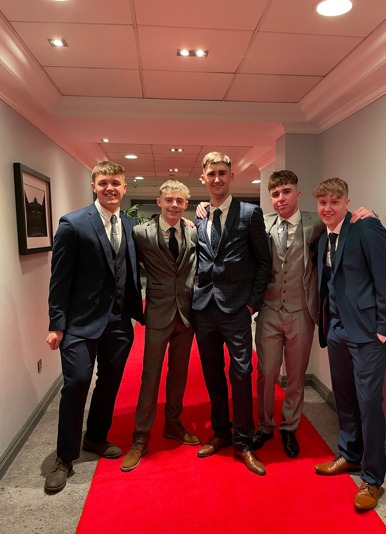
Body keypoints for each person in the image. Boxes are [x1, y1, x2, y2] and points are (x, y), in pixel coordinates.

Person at [253, 170, 376, 458]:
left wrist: (370, 215)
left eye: (286, 192)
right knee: (266, 372)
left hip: (302, 311)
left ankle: (289, 427)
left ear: (297, 194)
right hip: (269, 309)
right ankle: (265, 425)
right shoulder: (262, 223)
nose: (281, 198)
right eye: (275, 194)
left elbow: (344, 221)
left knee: (296, 375)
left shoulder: (316, 222)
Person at [45, 161, 144, 493]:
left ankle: (96, 437)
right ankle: (65, 457)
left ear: (124, 188)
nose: (110, 188)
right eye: (104, 183)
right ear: (94, 186)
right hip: (79, 323)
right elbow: (59, 279)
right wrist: (57, 324)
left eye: (115, 183)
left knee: (110, 382)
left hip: (119, 322)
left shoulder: (131, 225)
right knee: (76, 383)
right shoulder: (73, 224)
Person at [312, 177, 386, 511]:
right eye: (323, 203)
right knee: (345, 397)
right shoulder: (324, 237)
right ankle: (349, 454)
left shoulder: (365, 228)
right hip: (337, 329)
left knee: (368, 404)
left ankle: (372, 478)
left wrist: (383, 328)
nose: (328, 208)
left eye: (334, 202)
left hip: (367, 333)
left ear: (347, 203)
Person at [192, 152, 272, 476]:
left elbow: (264, 262)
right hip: (203, 309)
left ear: (231, 176)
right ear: (203, 177)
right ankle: (221, 432)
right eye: (211, 174)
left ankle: (244, 441)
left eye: (222, 173)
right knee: (212, 375)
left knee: (241, 374)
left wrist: (252, 303)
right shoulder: (200, 216)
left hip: (237, 308)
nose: (217, 179)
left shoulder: (250, 213)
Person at [121, 180, 200, 472]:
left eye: (180, 201)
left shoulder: (193, 231)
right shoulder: (141, 233)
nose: (174, 205)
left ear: (186, 204)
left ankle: (173, 423)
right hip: (157, 313)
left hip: (187, 314)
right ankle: (141, 437)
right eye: (169, 200)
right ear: (159, 202)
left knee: (179, 373)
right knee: (150, 375)